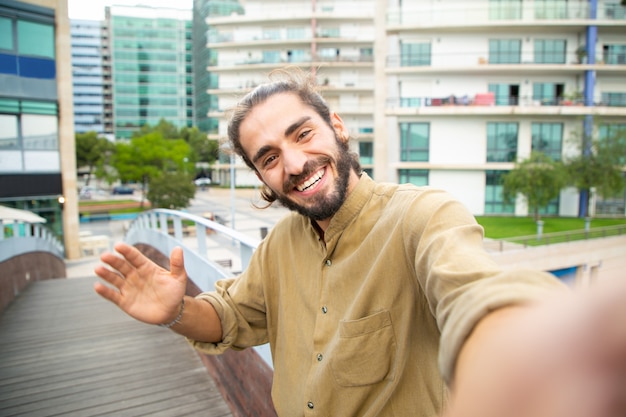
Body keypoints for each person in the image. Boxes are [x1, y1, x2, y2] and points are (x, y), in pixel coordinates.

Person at [94, 68, 626, 417]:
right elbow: (232, 316)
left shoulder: (422, 216)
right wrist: (175, 311)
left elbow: (474, 295)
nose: (295, 164)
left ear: (338, 127)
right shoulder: (279, 248)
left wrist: (524, 360)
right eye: (269, 157)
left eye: (303, 135)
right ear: (262, 177)